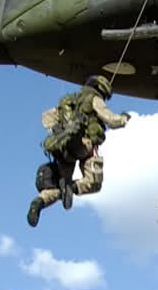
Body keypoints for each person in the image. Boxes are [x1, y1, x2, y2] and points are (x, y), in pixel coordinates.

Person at [27, 74, 129, 227]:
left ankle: (40, 201)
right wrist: (124, 118)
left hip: (63, 150)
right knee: (93, 183)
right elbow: (112, 120)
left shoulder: (69, 101)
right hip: (84, 147)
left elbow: (47, 119)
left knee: (58, 189)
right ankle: (71, 187)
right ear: (101, 88)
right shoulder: (94, 99)